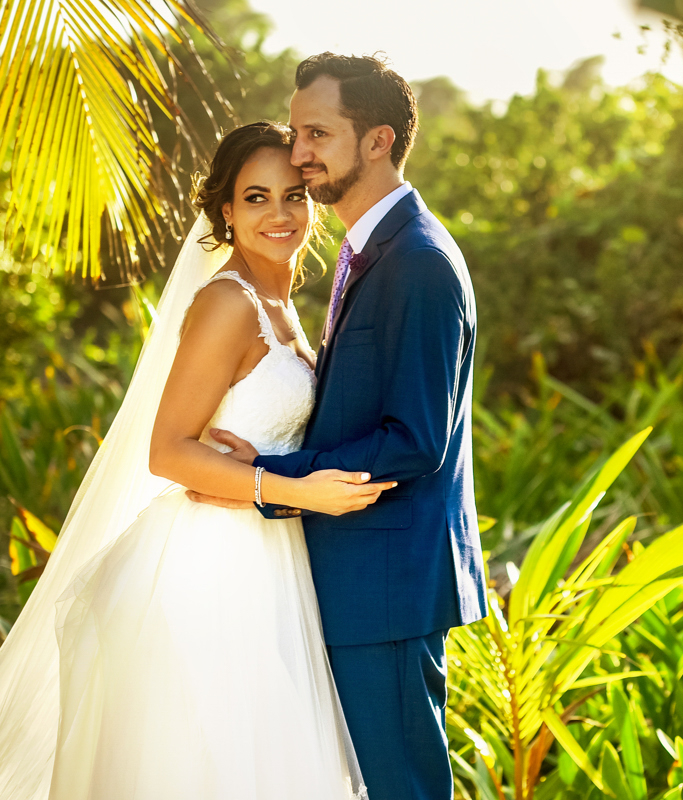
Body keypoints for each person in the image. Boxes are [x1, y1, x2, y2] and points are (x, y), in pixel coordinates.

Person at [0, 122, 384, 798]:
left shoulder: (284, 306)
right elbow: (168, 450)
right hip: (213, 572)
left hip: (273, 561)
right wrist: (288, 489)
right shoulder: (227, 303)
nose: (279, 214)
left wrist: (276, 476)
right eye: (256, 197)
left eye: (293, 195)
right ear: (226, 212)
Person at [189, 54, 488, 800]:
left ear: (379, 139)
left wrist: (265, 482)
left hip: (382, 583)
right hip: (351, 578)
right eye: (296, 132)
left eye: (316, 133)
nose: (299, 153)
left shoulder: (415, 260)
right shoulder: (368, 251)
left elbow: (415, 439)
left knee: (400, 790)